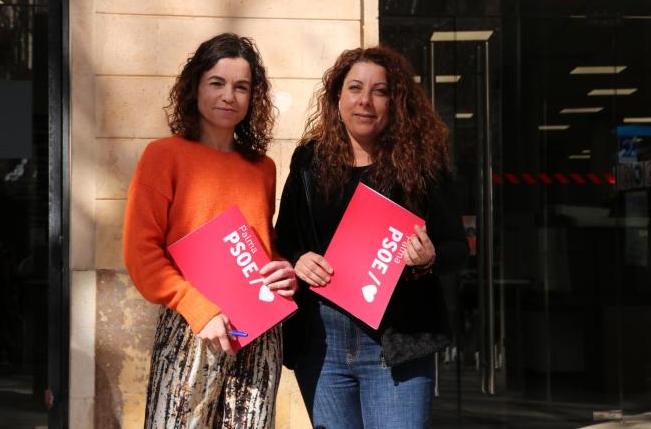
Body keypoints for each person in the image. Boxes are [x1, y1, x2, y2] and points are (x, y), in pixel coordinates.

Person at [275, 46, 469, 428]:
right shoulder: (309, 161)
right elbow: (284, 239)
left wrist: (429, 258)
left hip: (396, 342)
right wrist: (298, 259)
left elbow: (457, 247)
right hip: (322, 342)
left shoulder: (423, 165)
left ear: (395, 103)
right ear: (337, 97)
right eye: (355, 88)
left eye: (380, 91)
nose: (365, 100)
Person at [123, 33, 297, 428]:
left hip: (258, 331)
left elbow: (262, 246)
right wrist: (198, 310)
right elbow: (141, 253)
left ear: (253, 97)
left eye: (241, 87)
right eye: (217, 83)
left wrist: (284, 271)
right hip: (192, 325)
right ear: (195, 86)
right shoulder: (163, 156)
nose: (228, 96)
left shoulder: (262, 168)